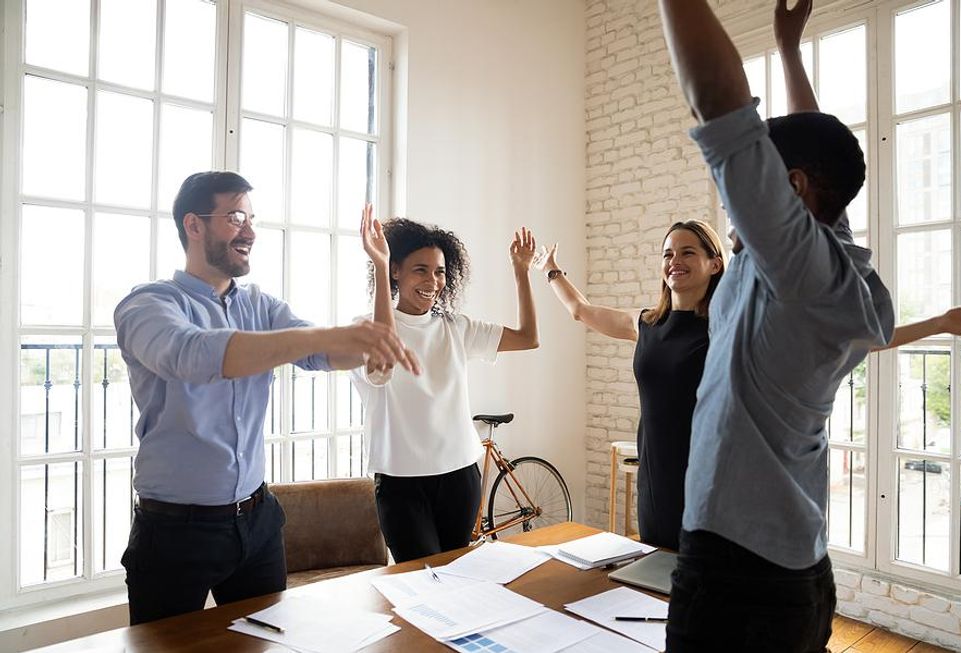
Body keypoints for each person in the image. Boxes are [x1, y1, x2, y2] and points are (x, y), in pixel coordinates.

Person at [655, 0, 894, 648]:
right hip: (793, 567)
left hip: (738, 577)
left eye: (759, 180)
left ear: (789, 189)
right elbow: (810, 161)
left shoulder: (799, 270)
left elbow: (718, 104)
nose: (741, 200)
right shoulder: (827, 257)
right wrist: (789, 48)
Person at [114, 172, 419, 625]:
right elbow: (194, 355)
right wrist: (330, 334)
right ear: (194, 226)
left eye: (252, 218)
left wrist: (380, 273)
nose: (251, 232)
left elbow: (338, 352)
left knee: (268, 642)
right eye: (237, 216)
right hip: (176, 533)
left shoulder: (262, 305)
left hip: (257, 522)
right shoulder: (149, 304)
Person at [351, 205, 540, 562]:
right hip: (400, 480)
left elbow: (529, 338)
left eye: (439, 272)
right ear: (396, 272)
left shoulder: (455, 327)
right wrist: (378, 264)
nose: (432, 282)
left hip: (459, 474)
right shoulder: (366, 328)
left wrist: (521, 272)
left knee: (455, 576)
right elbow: (380, 370)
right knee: (420, 577)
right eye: (420, 270)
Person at [538, 222, 724, 550]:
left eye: (687, 252)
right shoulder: (647, 325)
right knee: (654, 578)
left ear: (715, 264)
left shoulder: (726, 330)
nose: (674, 260)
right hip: (655, 480)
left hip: (710, 481)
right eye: (668, 254)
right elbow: (581, 311)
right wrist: (551, 270)